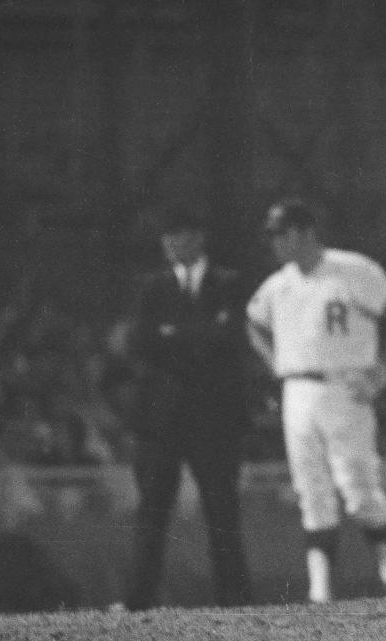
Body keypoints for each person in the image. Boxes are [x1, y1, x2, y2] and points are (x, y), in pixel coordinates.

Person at [246, 197, 386, 603]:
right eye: (272, 234)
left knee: (357, 484)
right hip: (297, 389)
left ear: (306, 232)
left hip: (346, 385)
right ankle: (320, 589)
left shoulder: (351, 269)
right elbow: (253, 323)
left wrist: (384, 368)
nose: (275, 241)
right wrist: (276, 363)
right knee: (311, 487)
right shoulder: (279, 283)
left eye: (282, 232)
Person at [125, 208, 252, 610]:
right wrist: (201, 334)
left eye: (179, 235)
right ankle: (138, 602)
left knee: (222, 510)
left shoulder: (229, 283)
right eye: (167, 238)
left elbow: (232, 337)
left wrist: (173, 335)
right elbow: (140, 342)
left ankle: (235, 601)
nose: (172, 245)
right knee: (152, 512)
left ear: (199, 238)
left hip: (214, 420)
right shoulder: (150, 287)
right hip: (161, 421)